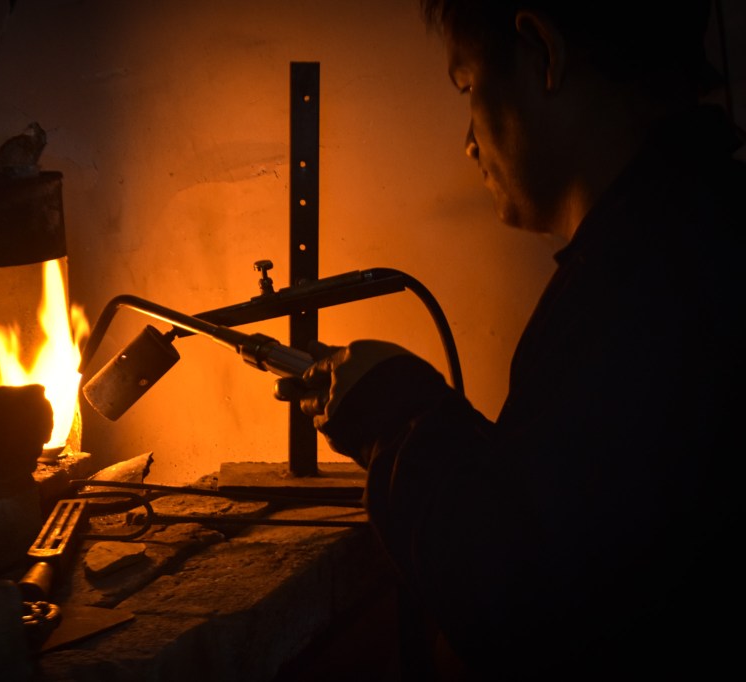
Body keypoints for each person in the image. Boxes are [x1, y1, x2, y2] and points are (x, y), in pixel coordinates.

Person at [282, 1, 745, 679]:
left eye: (468, 86)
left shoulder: (650, 283)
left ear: (543, 53)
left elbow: (525, 606)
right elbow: (572, 506)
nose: (469, 143)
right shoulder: (689, 231)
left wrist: (396, 422)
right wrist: (416, 409)